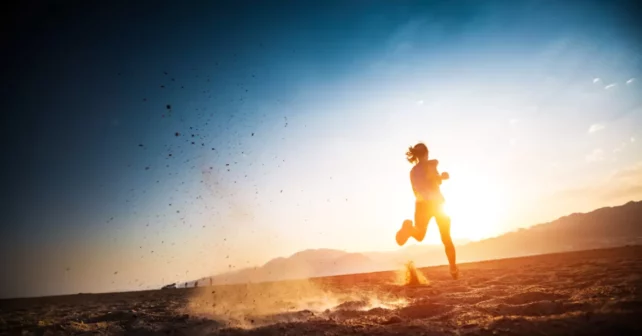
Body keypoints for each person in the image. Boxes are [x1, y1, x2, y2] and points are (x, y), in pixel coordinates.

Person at [396, 143, 459, 279]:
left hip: (422, 205)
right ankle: (453, 268)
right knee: (446, 238)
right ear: (426, 153)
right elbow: (435, 180)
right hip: (437, 204)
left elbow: (417, 189)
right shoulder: (432, 164)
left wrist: (438, 178)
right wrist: (442, 177)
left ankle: (409, 229)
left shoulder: (412, 172)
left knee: (419, 235)